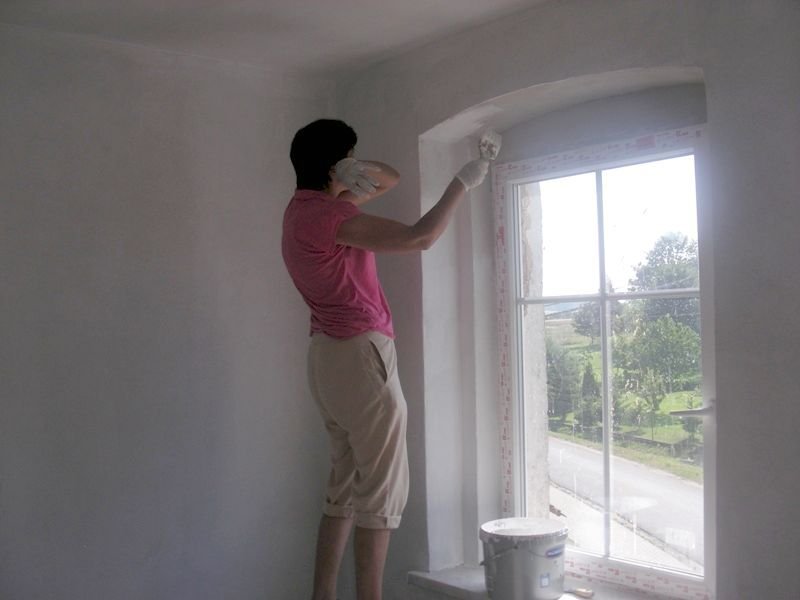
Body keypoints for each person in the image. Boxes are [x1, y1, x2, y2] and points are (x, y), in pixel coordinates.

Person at [281, 119, 494, 600]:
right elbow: (420, 237)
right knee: (380, 494)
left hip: (326, 359)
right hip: (361, 357)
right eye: (351, 155)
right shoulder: (332, 217)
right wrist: (461, 183)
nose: (358, 164)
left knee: (343, 489)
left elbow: (390, 178)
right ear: (335, 165)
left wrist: (351, 168)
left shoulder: (302, 210)